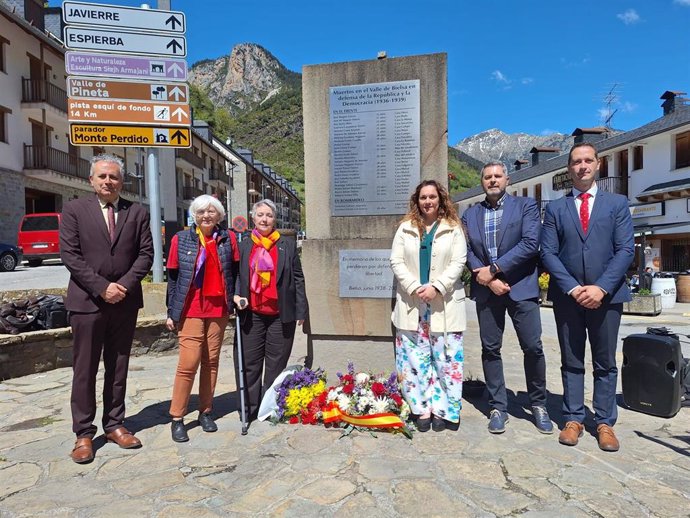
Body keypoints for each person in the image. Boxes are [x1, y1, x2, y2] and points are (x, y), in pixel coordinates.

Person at [60, 154, 153, 463]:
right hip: (87, 302)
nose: (108, 181)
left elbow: (145, 254)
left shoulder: (137, 212)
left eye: (113, 177)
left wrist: (122, 286)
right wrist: (102, 287)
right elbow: (70, 255)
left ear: (121, 182)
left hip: (124, 303)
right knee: (84, 369)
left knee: (118, 366)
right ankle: (83, 434)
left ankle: (114, 424)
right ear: (92, 180)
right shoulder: (74, 210)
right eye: (102, 176)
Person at [541, 142, 634, 452]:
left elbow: (625, 250)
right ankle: (573, 418)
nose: (582, 166)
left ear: (598, 164)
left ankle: (605, 422)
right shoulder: (555, 208)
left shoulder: (617, 204)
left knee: (605, 362)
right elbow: (549, 253)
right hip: (568, 298)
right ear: (569, 169)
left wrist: (601, 287)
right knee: (571, 360)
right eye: (576, 162)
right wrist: (572, 287)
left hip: (606, 298)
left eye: (587, 160)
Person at [462, 161, 552, 435]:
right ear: (482, 182)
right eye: (487, 177)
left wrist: (493, 271)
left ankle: (538, 404)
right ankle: (498, 406)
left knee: (533, 346)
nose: (492, 180)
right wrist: (488, 280)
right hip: (488, 291)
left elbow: (529, 244)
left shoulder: (525, 207)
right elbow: (466, 250)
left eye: (497, 176)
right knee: (491, 349)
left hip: (521, 287)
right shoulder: (470, 214)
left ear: (507, 180)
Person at [390, 180, 467, 432]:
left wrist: (437, 287)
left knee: (446, 359)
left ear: (441, 199)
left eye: (432, 197)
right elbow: (396, 261)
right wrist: (414, 287)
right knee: (415, 359)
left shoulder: (453, 228)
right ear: (417, 201)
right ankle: (421, 408)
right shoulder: (404, 229)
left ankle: (444, 410)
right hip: (412, 303)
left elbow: (459, 261)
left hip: (443, 303)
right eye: (423, 197)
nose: (428, 201)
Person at [165, 195, 238, 442]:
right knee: (188, 363)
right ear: (194, 216)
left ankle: (205, 411)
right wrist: (171, 312)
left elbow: (235, 273)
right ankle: (177, 417)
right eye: (201, 212)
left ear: (219, 215)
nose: (206, 215)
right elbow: (173, 278)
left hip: (218, 309)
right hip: (191, 308)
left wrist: (236, 298)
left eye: (211, 211)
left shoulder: (228, 239)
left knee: (211, 361)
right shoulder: (181, 239)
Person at [234, 199, 308, 422]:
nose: (264, 219)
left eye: (269, 215)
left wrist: (301, 310)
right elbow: (236, 275)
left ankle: (269, 407)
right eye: (260, 215)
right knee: (250, 363)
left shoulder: (286, 245)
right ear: (253, 219)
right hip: (252, 314)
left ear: (274, 219)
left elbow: (298, 278)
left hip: (280, 314)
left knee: (276, 363)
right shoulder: (244, 245)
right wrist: (236, 295)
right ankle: (249, 408)